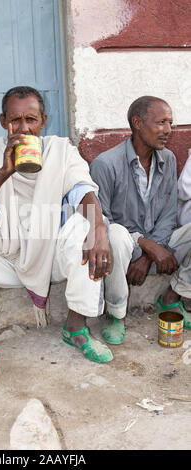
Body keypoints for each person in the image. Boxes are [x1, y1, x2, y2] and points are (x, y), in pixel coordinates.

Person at [0, 86, 113, 390]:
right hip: (0, 256)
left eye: (30, 119)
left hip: (48, 254)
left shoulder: (59, 150)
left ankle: (76, 328)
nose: (23, 128)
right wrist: (2, 173)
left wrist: (99, 230)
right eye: (15, 120)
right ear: (2, 120)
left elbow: (82, 189)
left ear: (43, 121)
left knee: (88, 225)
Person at [90, 96, 191, 346]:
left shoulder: (166, 159)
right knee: (115, 236)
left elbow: (168, 214)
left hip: (159, 245)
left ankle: (173, 295)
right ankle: (115, 315)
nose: (168, 130)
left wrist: (149, 254)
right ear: (137, 123)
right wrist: (144, 244)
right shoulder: (105, 163)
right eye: (161, 123)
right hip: (122, 248)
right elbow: (103, 222)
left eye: (170, 123)